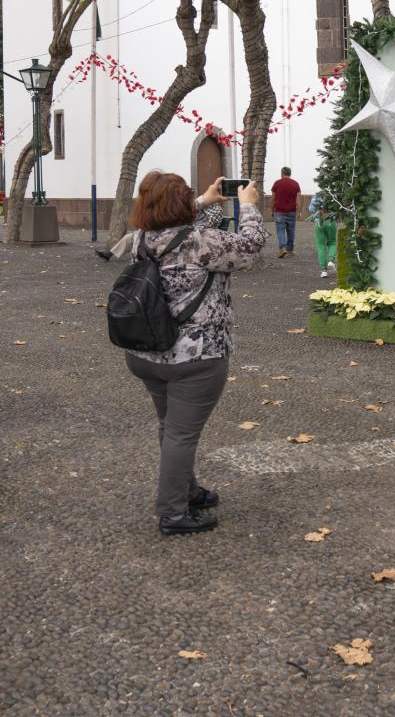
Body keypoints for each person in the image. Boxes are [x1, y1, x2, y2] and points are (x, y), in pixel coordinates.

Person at [123, 172, 266, 535]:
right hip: (195, 358)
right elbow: (250, 249)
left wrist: (204, 200)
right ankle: (172, 512)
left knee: (170, 427)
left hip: (147, 352)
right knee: (181, 434)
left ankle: (185, 490)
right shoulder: (202, 242)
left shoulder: (142, 238)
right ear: (179, 205)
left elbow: (180, 225)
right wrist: (247, 207)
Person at [270, 166, 300, 258]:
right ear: (290, 174)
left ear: (282, 173)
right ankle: (290, 250)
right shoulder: (296, 184)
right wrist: (299, 211)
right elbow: (298, 200)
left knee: (280, 230)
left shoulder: (276, 183)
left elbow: (273, 198)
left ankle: (283, 248)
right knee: (291, 230)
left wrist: (271, 209)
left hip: (279, 211)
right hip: (292, 211)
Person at [308, 191, 337, 279]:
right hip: (331, 222)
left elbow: (311, 209)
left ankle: (324, 271)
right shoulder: (334, 195)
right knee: (332, 242)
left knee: (321, 246)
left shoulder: (317, 196)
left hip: (318, 222)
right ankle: (331, 260)